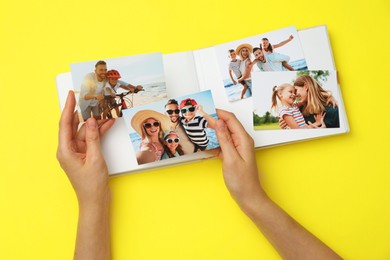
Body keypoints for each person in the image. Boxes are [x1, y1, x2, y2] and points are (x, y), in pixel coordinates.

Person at [57, 91, 342, 260]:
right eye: (152, 122)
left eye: (159, 121)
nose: (157, 125)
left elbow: (185, 142)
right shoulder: (147, 146)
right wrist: (253, 198)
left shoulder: (174, 136)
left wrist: (93, 201)